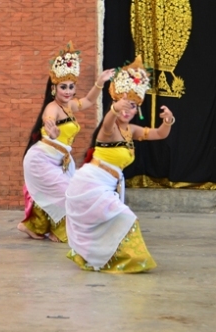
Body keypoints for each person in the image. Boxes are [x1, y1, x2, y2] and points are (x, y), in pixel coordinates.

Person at [65, 56, 174, 273]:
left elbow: (159, 134)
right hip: (90, 184)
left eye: (132, 106)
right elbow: (106, 122)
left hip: (106, 185)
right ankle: (127, 260)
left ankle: (107, 257)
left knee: (110, 222)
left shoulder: (130, 130)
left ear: (137, 109)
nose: (127, 110)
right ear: (115, 103)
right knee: (124, 217)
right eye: (123, 104)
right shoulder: (110, 127)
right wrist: (114, 110)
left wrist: (168, 121)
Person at [17, 41, 114, 242]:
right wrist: (51, 129)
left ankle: (33, 226)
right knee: (68, 194)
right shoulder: (52, 107)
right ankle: (58, 232)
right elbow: (48, 119)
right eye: (63, 87)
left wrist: (100, 82)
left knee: (67, 193)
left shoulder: (69, 105)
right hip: (41, 160)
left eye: (71, 86)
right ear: (54, 88)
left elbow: (88, 101)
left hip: (60, 160)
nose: (68, 91)